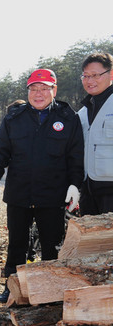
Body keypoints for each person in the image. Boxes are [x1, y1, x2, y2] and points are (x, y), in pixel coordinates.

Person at [0, 69, 84, 302]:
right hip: (19, 193)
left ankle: (51, 289)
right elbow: (0, 152)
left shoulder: (68, 118)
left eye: (44, 88)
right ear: (28, 91)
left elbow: (75, 156)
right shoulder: (14, 118)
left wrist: (74, 185)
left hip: (53, 194)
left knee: (51, 245)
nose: (38, 94)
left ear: (54, 90)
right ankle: (12, 287)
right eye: (33, 89)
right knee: (17, 244)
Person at [77, 52, 113, 215]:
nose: (89, 81)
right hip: (88, 191)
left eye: (95, 75)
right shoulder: (82, 112)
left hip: (110, 191)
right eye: (85, 76)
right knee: (93, 239)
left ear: (111, 73)